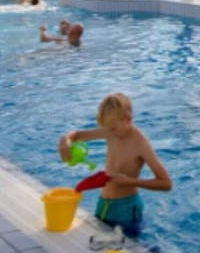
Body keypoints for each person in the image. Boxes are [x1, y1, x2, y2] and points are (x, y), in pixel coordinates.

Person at [58, 93, 171, 236]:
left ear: (128, 119)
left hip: (126, 210)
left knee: (129, 248)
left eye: (113, 128)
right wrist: (65, 140)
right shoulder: (111, 130)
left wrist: (130, 181)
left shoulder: (140, 144)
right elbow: (77, 135)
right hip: (103, 205)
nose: (109, 132)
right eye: (107, 128)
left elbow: (166, 183)